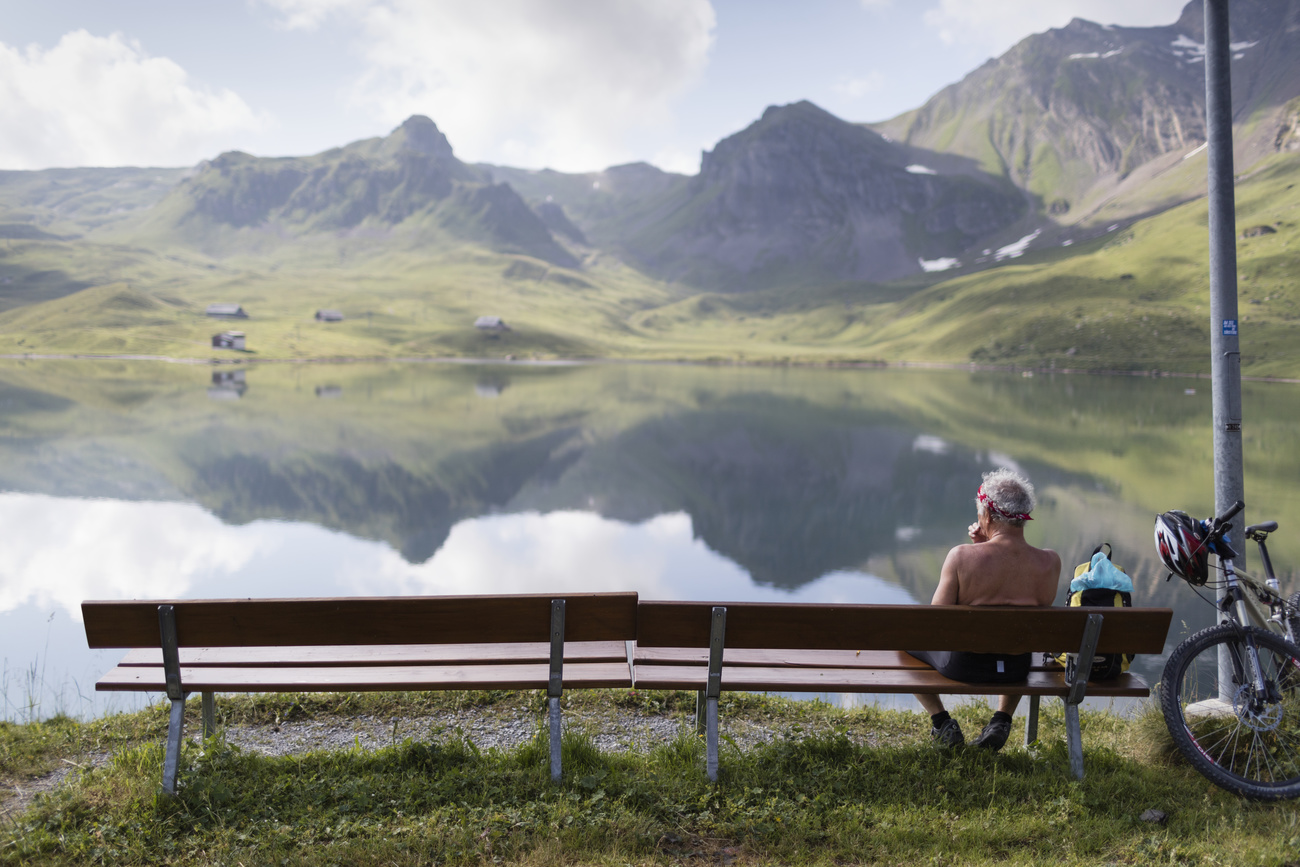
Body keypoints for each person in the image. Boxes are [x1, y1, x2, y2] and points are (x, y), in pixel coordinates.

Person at [908, 468, 1061, 751]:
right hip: (1016, 668)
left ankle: (941, 722)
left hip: (965, 667)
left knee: (905, 636)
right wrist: (984, 547)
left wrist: (975, 551)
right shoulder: (1050, 563)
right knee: (1016, 640)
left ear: (988, 516)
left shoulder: (961, 557)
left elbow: (934, 622)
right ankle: (1002, 719)